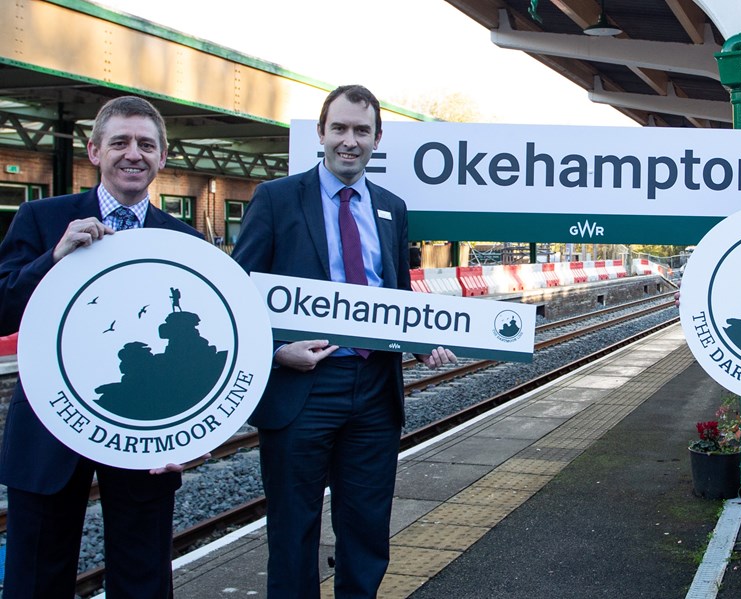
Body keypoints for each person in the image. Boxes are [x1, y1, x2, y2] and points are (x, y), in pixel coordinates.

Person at [232, 84, 455, 598]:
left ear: (377, 138)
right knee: (293, 529)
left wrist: (423, 341)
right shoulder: (277, 198)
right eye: (339, 129)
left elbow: (396, 295)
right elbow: (238, 293)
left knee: (367, 528)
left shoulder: (392, 208)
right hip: (301, 387)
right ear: (321, 133)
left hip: (375, 390)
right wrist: (274, 351)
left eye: (360, 130)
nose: (349, 141)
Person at [0, 96, 201, 598]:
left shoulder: (184, 240)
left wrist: (184, 436)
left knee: (142, 576)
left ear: (162, 156)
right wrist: (53, 258)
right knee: (35, 577)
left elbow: (199, 347)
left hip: (143, 428)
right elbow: (3, 310)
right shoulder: (42, 218)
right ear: (93, 151)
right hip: (50, 425)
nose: (133, 153)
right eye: (120, 142)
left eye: (145, 144)